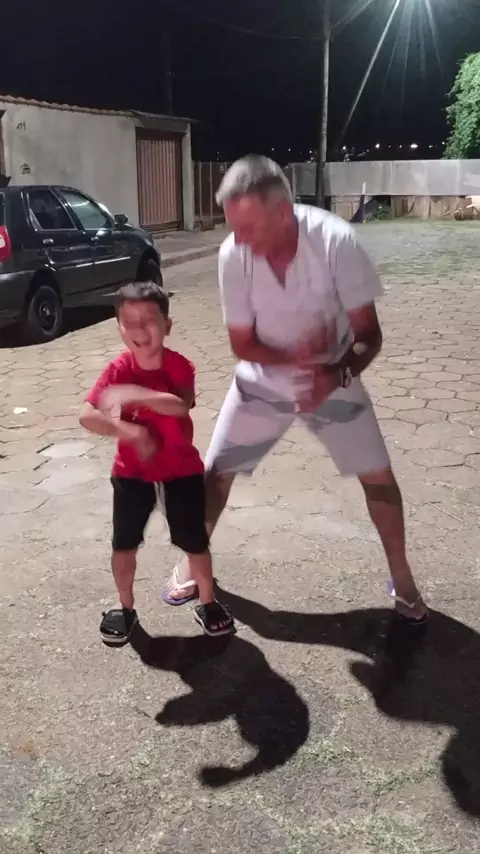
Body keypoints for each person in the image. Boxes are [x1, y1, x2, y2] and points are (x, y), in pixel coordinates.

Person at [163, 155, 428, 628]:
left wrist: (334, 373)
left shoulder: (336, 241)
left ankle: (403, 579)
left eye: (249, 228)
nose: (239, 240)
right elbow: (242, 343)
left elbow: (369, 335)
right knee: (217, 474)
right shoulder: (232, 253)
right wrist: (298, 362)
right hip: (261, 382)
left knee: (378, 478)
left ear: (283, 212)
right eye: (233, 228)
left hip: (335, 380)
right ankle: (191, 562)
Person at [79, 281, 235, 646]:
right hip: (131, 473)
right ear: (118, 327)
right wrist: (129, 431)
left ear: (168, 324)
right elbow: (87, 416)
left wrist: (132, 393)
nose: (138, 329)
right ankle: (124, 607)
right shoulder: (117, 369)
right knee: (123, 544)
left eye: (149, 319)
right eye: (128, 321)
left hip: (181, 470)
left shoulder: (179, 366)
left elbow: (179, 404)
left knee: (195, 542)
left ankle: (208, 601)